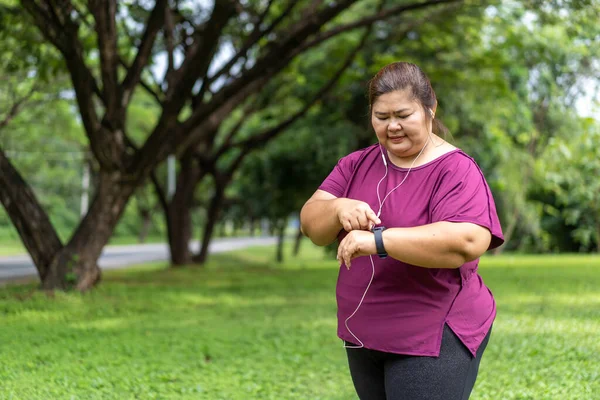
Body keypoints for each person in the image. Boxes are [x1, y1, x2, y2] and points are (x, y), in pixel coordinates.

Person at [299, 62, 504, 400]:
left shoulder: (455, 170)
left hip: (432, 333)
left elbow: (468, 241)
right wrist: (337, 208)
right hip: (364, 333)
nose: (392, 126)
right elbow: (311, 224)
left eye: (403, 114)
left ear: (430, 108)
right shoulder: (355, 164)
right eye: (381, 117)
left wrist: (379, 240)